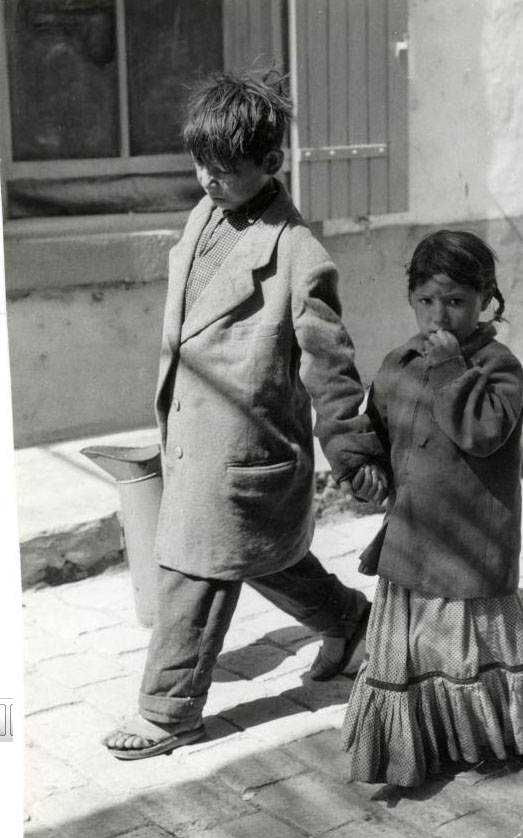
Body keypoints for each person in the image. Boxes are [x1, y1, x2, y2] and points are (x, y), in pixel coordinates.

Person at [103, 69, 387, 760]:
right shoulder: (207, 215)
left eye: (226, 169)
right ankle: (354, 624)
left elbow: (330, 365)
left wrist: (353, 451)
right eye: (200, 163)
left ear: (272, 162)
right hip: (197, 438)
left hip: (248, 451)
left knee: (195, 570)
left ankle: (170, 711)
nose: (208, 179)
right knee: (266, 556)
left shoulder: (298, 255)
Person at [342, 230, 523, 787]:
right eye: (426, 300)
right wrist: (368, 471)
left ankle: (490, 735)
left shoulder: (497, 367)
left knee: (471, 649)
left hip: (469, 544)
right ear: (411, 298)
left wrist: (450, 370)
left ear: (485, 299)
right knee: (412, 652)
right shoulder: (397, 363)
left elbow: (482, 433)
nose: (440, 316)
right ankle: (425, 741)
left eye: (457, 301)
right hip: (412, 536)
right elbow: (381, 432)